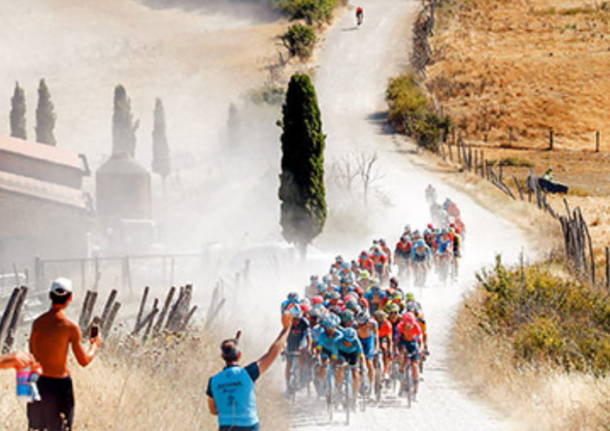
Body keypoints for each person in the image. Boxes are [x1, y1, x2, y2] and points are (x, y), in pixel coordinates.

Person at [28, 278, 102, 431]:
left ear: (50, 296)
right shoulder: (70, 327)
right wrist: (94, 345)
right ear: (70, 298)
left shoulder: (37, 323)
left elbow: (32, 353)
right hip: (59, 385)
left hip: (38, 382)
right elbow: (84, 361)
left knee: (36, 428)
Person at [207, 312, 293, 431]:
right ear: (240, 355)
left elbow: (213, 410)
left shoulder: (213, 381)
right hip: (250, 427)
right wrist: (286, 329)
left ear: (222, 356)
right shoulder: (248, 374)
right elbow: (273, 352)